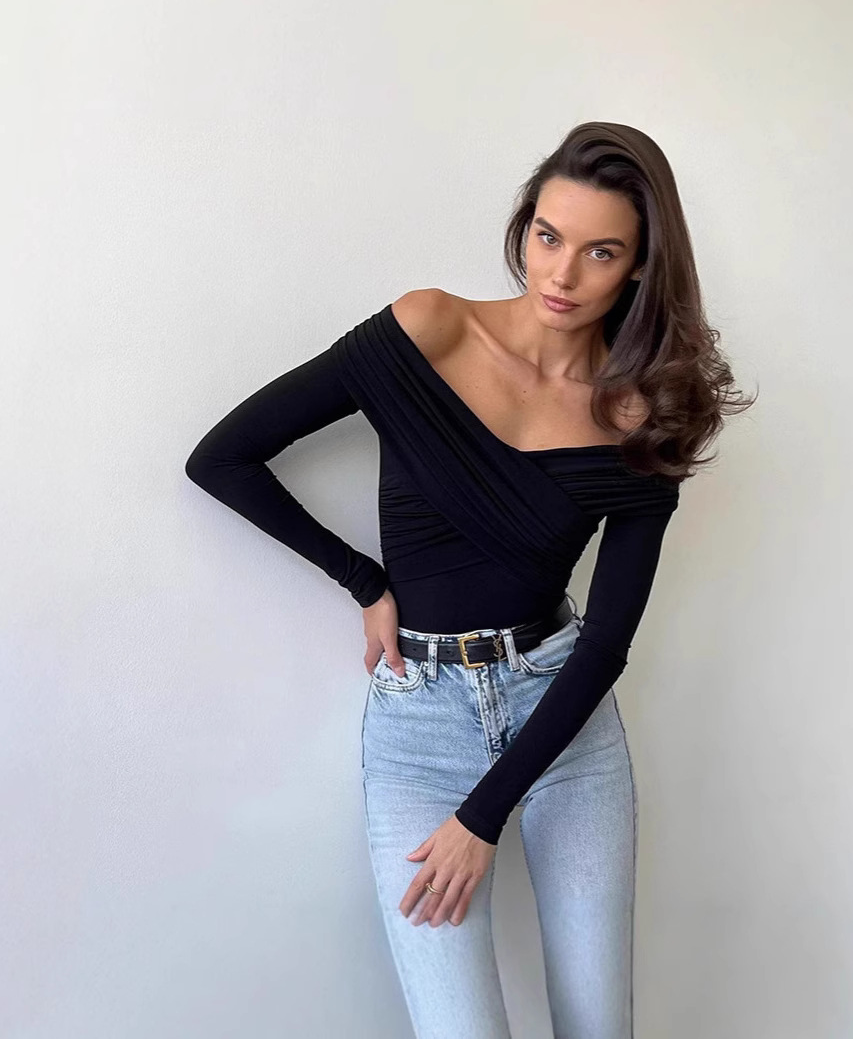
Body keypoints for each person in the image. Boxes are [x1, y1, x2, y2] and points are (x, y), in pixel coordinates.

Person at [185, 120, 754, 1039]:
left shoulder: (640, 416)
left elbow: (606, 643)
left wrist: (483, 817)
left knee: (597, 1026)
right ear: (526, 225)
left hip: (564, 717)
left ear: (640, 267)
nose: (561, 274)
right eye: (548, 236)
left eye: (601, 252)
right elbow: (222, 458)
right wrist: (363, 581)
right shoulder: (429, 330)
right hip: (419, 726)